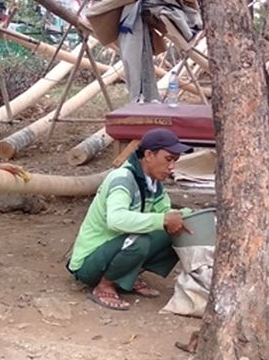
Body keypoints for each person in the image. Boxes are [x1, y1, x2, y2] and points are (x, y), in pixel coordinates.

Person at [67, 128, 193, 311]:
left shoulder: (153, 183)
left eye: (175, 160)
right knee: (139, 240)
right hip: (89, 262)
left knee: (178, 230)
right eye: (168, 159)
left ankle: (127, 276)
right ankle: (104, 287)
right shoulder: (123, 179)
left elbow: (165, 212)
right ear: (149, 155)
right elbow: (116, 220)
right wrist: (163, 220)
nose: (172, 167)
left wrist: (188, 216)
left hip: (119, 246)